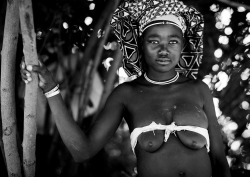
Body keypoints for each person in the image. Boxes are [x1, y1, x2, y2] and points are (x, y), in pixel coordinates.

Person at [20, 0, 231, 176]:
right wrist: (50, 88)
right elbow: (82, 151)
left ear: (183, 46)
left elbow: (220, 161)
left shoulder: (198, 89)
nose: (164, 50)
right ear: (140, 45)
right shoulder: (127, 94)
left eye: (173, 41)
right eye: (154, 41)